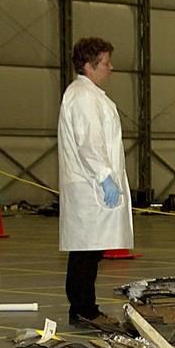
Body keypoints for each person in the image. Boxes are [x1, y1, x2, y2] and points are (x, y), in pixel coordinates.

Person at [57, 36, 133, 329]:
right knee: (86, 253)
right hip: (90, 185)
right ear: (89, 66)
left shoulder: (90, 94)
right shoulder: (82, 97)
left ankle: (83, 307)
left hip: (91, 185)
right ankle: (83, 308)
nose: (110, 68)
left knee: (90, 251)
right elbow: (88, 142)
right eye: (105, 63)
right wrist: (104, 176)